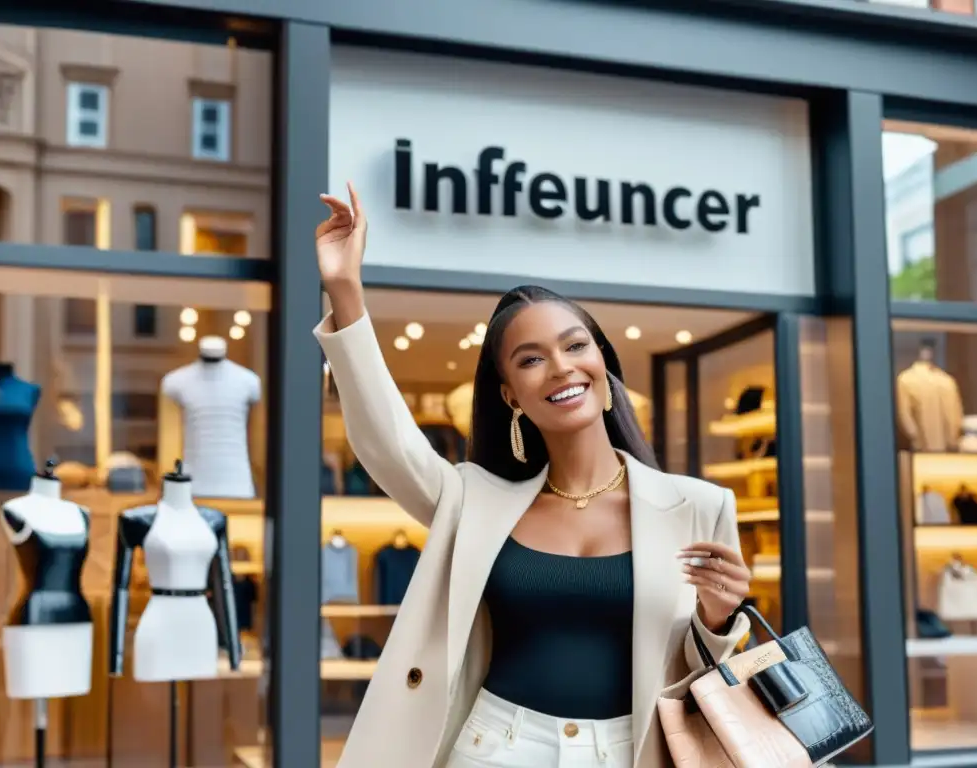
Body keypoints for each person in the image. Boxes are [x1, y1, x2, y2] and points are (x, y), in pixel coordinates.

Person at [313, 182, 752, 768]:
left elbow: (701, 673)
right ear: (510, 394)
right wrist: (345, 289)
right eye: (531, 359)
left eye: (576, 346)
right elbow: (388, 444)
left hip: (632, 752)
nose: (560, 367)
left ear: (602, 366)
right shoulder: (475, 499)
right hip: (495, 747)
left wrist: (720, 619)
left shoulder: (699, 505)